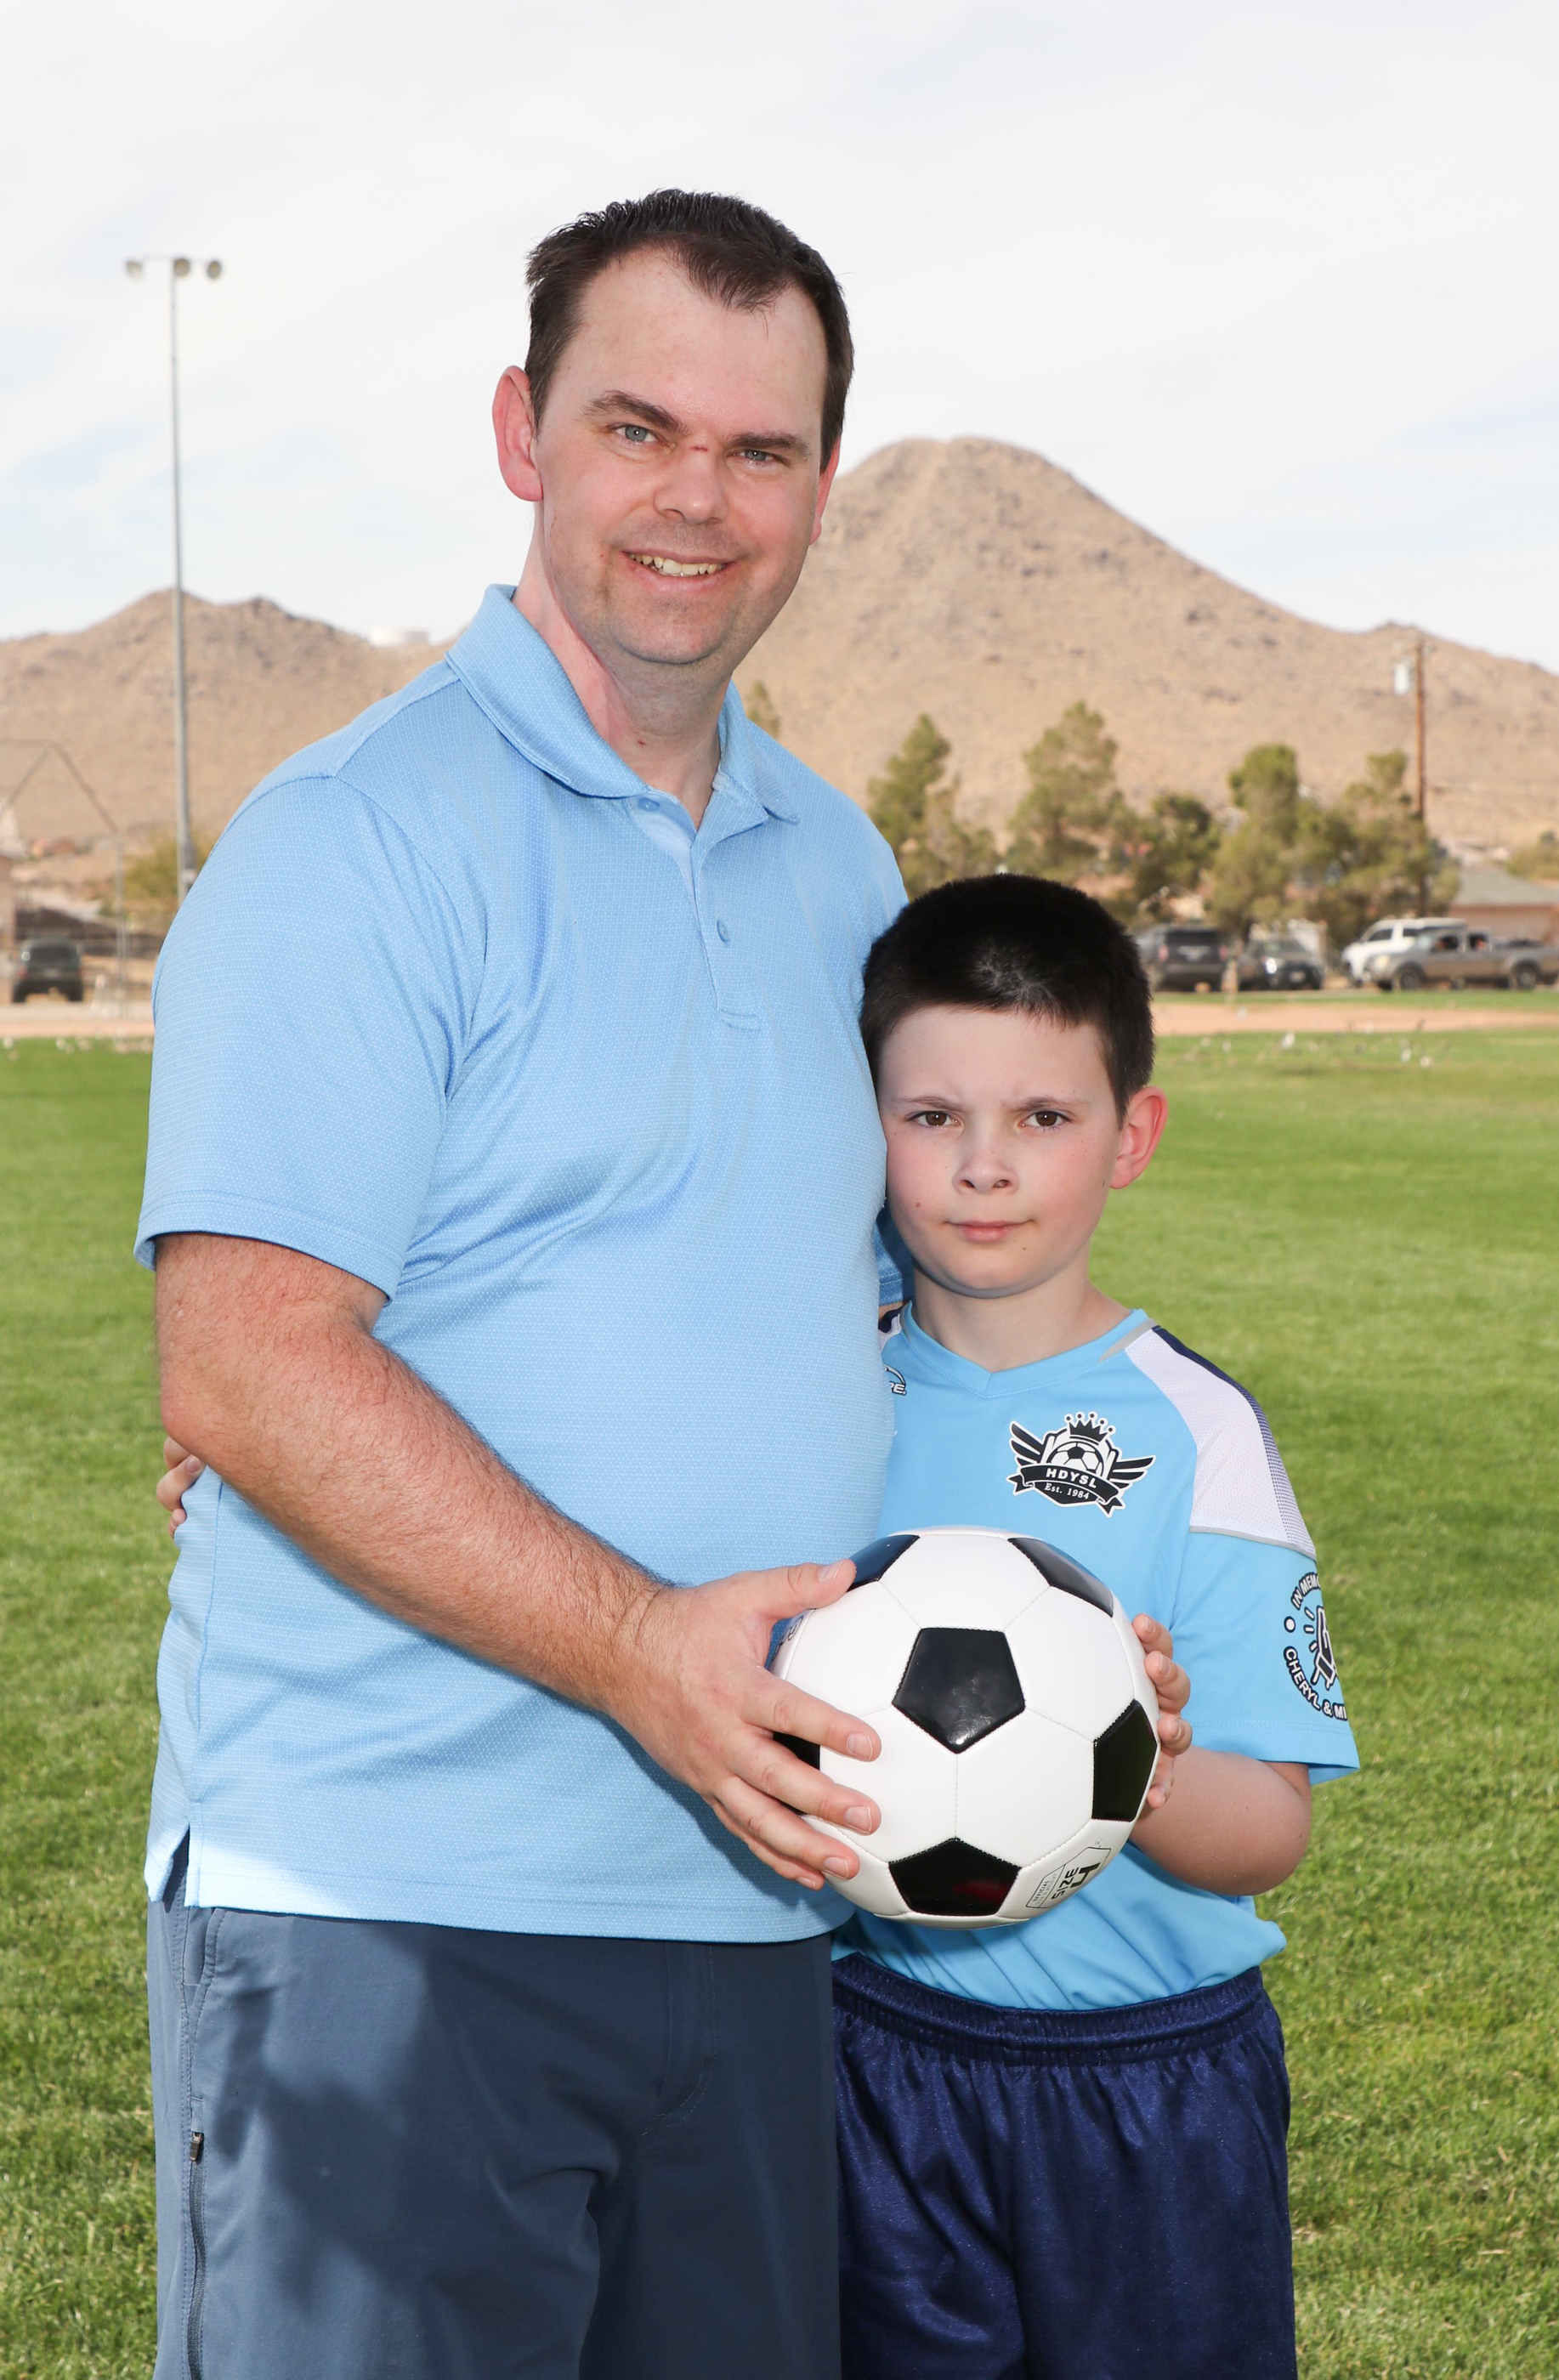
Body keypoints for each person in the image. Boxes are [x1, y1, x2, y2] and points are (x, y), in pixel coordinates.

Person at [139, 189, 931, 2380]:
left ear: (821, 490)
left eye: (761, 450)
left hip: (759, 1903)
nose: (698, 498)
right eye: (637, 426)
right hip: (389, 1909)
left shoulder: (841, 864)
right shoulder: (352, 836)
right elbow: (247, 1354)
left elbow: (875, 1309)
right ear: (522, 432)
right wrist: (634, 1645)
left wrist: (1066, 1598)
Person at [831, 873, 1359, 2380]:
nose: (983, 1166)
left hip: (1149, 2077)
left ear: (1132, 1135)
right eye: (932, 1116)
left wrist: (1138, 1757)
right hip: (868, 2048)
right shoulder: (820, 1384)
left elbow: (1270, 1830)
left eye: (1044, 1117)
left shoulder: (1199, 1435)